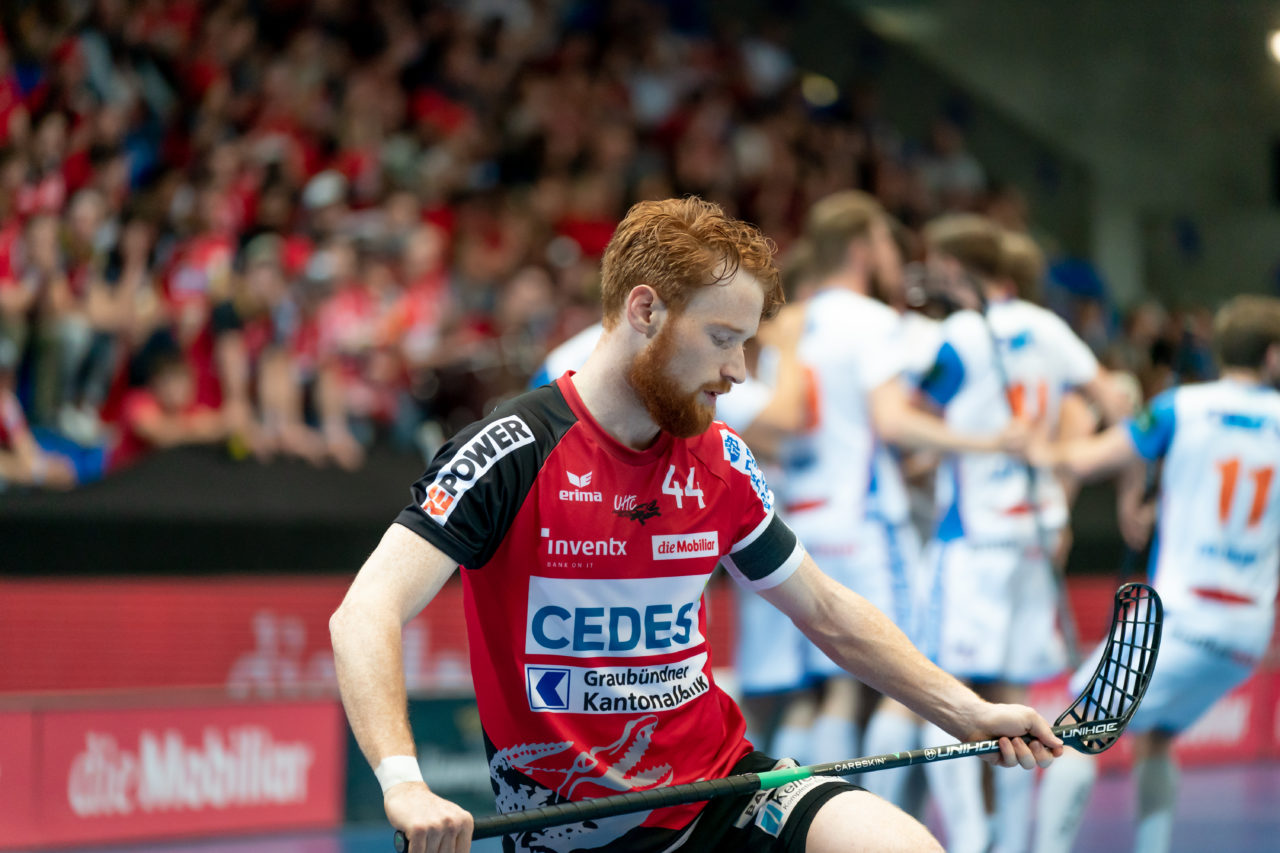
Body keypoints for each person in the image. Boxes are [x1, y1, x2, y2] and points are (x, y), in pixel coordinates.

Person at [329, 197, 1064, 853]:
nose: (740, 370)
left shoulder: (720, 461)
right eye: (722, 338)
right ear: (645, 311)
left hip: (723, 792)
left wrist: (966, 710)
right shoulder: (510, 452)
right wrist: (404, 784)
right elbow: (364, 612)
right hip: (576, 835)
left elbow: (830, 612)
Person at [909, 214, 1129, 853]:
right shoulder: (1049, 326)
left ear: (959, 270)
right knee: (1013, 695)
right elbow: (1114, 398)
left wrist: (943, 451)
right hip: (1034, 535)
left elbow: (907, 421)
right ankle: (1011, 842)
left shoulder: (958, 334)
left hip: (970, 537)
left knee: (941, 688)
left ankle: (971, 842)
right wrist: (1064, 475)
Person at [1030, 294, 1280, 853]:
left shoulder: (1179, 407)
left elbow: (1085, 461)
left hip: (1180, 617)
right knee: (1156, 735)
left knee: (1072, 730)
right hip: (1245, 633)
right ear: (1271, 356)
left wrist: (1037, 444)